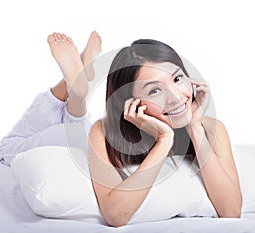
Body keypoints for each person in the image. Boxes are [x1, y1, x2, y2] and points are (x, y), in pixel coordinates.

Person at [88, 39, 242, 227]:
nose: (176, 98)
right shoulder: (103, 133)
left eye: (177, 79)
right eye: (155, 90)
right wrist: (164, 140)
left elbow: (231, 211)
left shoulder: (213, 129)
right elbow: (116, 215)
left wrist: (194, 127)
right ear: (130, 102)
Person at [0, 31, 102, 165]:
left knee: (5, 148)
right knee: (6, 148)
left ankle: (76, 90)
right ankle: (74, 85)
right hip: (87, 139)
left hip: (87, 136)